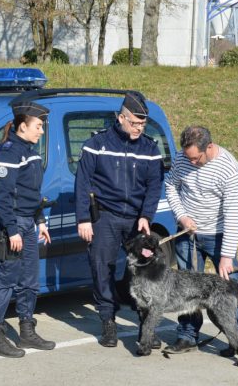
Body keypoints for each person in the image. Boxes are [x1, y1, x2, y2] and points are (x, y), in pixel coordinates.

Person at [74, 91, 163, 348]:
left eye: (142, 124)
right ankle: (108, 321)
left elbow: (154, 185)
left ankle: (145, 327)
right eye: (134, 123)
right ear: (120, 117)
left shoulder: (149, 148)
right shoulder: (97, 144)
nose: (138, 128)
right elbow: (82, 183)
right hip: (106, 217)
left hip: (136, 220)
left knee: (143, 273)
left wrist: (146, 216)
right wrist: (84, 219)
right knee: (102, 268)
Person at [163, 125, 238, 360]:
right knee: (185, 289)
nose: (192, 163)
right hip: (188, 235)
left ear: (209, 147)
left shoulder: (230, 169)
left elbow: (234, 213)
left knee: (230, 288)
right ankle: (187, 335)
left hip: (219, 237)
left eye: (196, 158)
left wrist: (226, 255)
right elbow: (170, 186)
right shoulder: (182, 157)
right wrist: (182, 216)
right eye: (189, 158)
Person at [0, 100, 55, 358]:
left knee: (29, 281)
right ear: (23, 126)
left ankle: (26, 331)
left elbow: (31, 194)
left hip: (28, 224)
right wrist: (11, 229)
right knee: (5, 281)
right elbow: (2, 197)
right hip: (12, 225)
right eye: (38, 126)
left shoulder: (31, 151)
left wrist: (40, 221)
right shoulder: (8, 152)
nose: (42, 131)